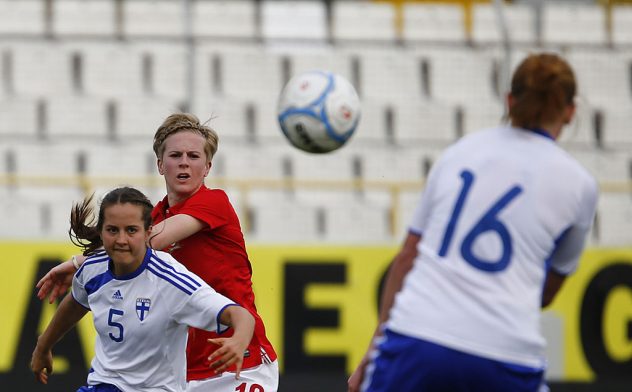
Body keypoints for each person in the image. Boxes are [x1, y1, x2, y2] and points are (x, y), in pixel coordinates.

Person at [348, 53, 598, 392]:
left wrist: (375, 347)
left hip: (419, 336)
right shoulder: (580, 185)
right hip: (507, 352)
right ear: (570, 111)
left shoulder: (461, 151)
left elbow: (408, 257)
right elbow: (544, 293)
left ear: (510, 101)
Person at [36, 113, 279, 391]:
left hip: (240, 364)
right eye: (175, 155)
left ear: (208, 167)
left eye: (194, 156)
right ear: (161, 165)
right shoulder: (156, 214)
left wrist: (78, 261)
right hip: (180, 372)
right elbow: (129, 247)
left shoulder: (214, 202)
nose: (184, 162)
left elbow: (149, 242)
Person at [31, 187, 255, 392]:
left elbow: (240, 315)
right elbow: (76, 302)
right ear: (100, 232)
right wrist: (43, 346)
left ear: (148, 232)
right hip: (103, 385)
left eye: (131, 230)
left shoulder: (170, 280)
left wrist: (239, 339)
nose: (121, 240)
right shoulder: (92, 268)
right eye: (112, 230)